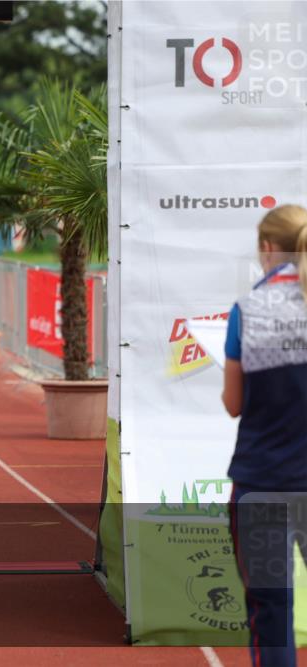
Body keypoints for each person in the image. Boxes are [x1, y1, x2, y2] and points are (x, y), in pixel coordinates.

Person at [222, 204, 307, 667]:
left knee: (271, 611)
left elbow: (234, 403)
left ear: (269, 248)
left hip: (264, 479)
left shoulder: (248, 309)